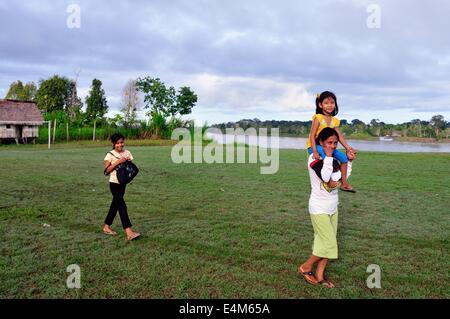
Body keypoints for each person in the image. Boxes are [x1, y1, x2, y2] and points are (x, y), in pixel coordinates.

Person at [299, 127, 355, 288]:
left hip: (333, 208)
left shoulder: (335, 161)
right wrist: (329, 157)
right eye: (329, 142)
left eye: (335, 143)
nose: (332, 145)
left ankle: (320, 275)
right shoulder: (314, 158)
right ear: (321, 143)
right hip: (318, 208)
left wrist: (349, 162)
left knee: (322, 243)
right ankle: (306, 267)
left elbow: (339, 178)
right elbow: (325, 177)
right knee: (330, 245)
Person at [306, 91, 356, 192]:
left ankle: (344, 183)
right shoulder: (318, 118)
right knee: (328, 159)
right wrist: (315, 151)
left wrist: (347, 147)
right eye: (326, 103)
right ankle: (328, 182)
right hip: (315, 146)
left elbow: (339, 136)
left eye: (332, 103)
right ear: (320, 105)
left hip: (328, 147)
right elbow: (312, 136)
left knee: (344, 159)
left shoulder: (334, 121)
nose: (330, 105)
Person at [103, 133, 141, 241]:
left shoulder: (128, 152)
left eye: (122, 142)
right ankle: (129, 232)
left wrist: (128, 161)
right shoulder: (110, 155)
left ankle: (106, 227)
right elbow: (106, 171)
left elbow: (130, 168)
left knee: (115, 206)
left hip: (123, 183)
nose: (120, 145)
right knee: (122, 206)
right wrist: (118, 162)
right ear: (113, 143)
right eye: (118, 143)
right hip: (114, 184)